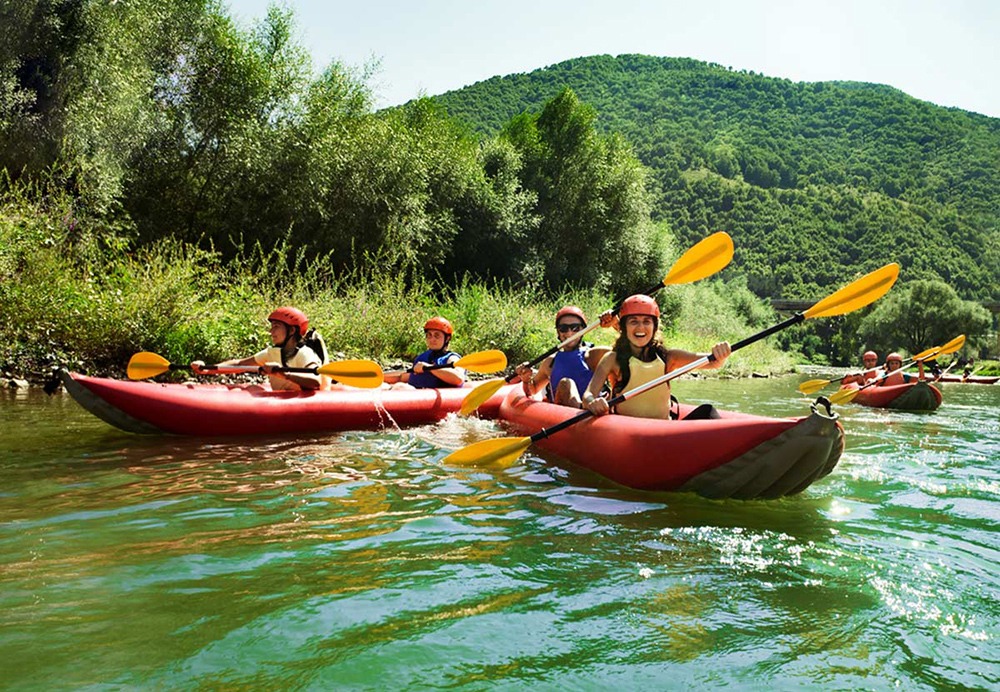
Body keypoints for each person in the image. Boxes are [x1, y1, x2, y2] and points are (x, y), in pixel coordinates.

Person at [582, 295, 731, 420]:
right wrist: (592, 402)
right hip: (628, 431)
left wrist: (721, 353)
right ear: (624, 327)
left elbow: (714, 363)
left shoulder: (669, 357)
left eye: (646, 321)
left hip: (663, 430)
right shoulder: (612, 359)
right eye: (633, 321)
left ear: (654, 327)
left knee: (708, 411)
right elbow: (588, 395)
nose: (640, 327)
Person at [191, 307, 323, 391]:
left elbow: (315, 382)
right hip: (282, 400)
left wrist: (283, 374)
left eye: (276, 327)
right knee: (251, 389)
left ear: (292, 331)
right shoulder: (272, 353)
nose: (271, 331)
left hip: (303, 402)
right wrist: (207, 369)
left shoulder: (305, 353)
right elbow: (239, 364)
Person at [514, 306, 614, 408]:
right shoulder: (550, 362)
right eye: (564, 328)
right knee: (565, 384)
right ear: (558, 332)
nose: (569, 333)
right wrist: (526, 379)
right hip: (563, 413)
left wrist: (616, 324)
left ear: (583, 330)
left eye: (575, 328)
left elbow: (623, 353)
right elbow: (532, 391)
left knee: (566, 383)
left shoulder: (594, 355)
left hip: (594, 411)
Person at [384, 317, 466, 389]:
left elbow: (459, 378)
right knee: (386, 386)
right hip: (418, 395)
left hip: (441, 398)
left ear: (447, 338)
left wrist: (429, 367)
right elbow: (402, 377)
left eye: (437, 335)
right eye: (429, 335)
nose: (432, 339)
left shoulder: (452, 358)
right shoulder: (423, 358)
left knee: (401, 387)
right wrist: (380, 377)